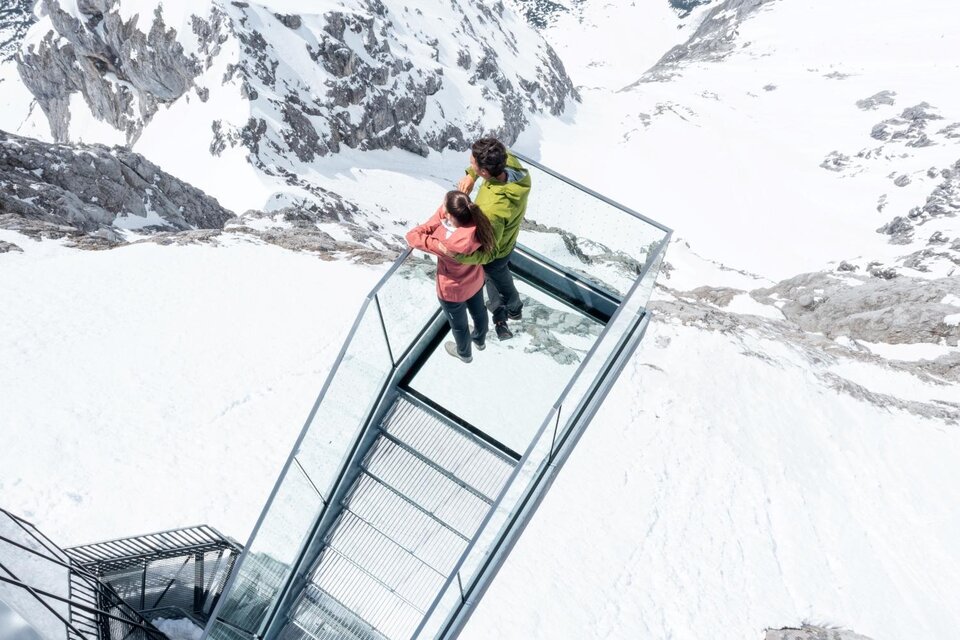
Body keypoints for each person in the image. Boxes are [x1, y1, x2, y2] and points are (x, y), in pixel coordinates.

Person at [446, 138, 531, 341]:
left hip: (498, 252)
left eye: (473, 162)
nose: (470, 162)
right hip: (508, 238)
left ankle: (514, 308)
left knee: (498, 275)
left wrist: (457, 255)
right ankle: (500, 314)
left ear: (486, 172)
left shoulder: (492, 209)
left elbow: (489, 252)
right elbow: (504, 152)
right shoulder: (511, 165)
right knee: (493, 276)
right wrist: (472, 175)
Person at [406, 190, 496, 363]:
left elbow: (413, 236)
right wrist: (448, 210)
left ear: (449, 214)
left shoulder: (446, 243)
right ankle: (479, 340)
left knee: (460, 326)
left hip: (452, 291)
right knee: (479, 313)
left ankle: (464, 353)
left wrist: (436, 222)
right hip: (475, 280)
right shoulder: (477, 224)